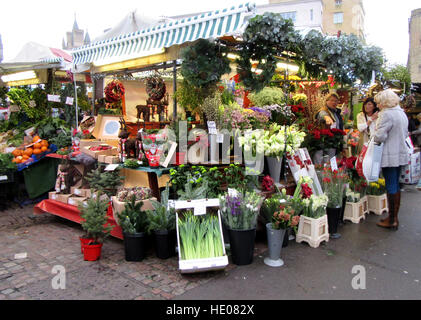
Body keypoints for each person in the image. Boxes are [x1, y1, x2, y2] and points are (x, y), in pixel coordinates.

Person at [373, 89, 409, 230]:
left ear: (384, 102)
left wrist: (374, 135)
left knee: (391, 185)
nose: (378, 106)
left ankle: (392, 219)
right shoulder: (401, 113)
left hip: (389, 154)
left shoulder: (386, 114)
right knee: (396, 184)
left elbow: (380, 136)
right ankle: (393, 217)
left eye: (378, 103)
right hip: (400, 153)